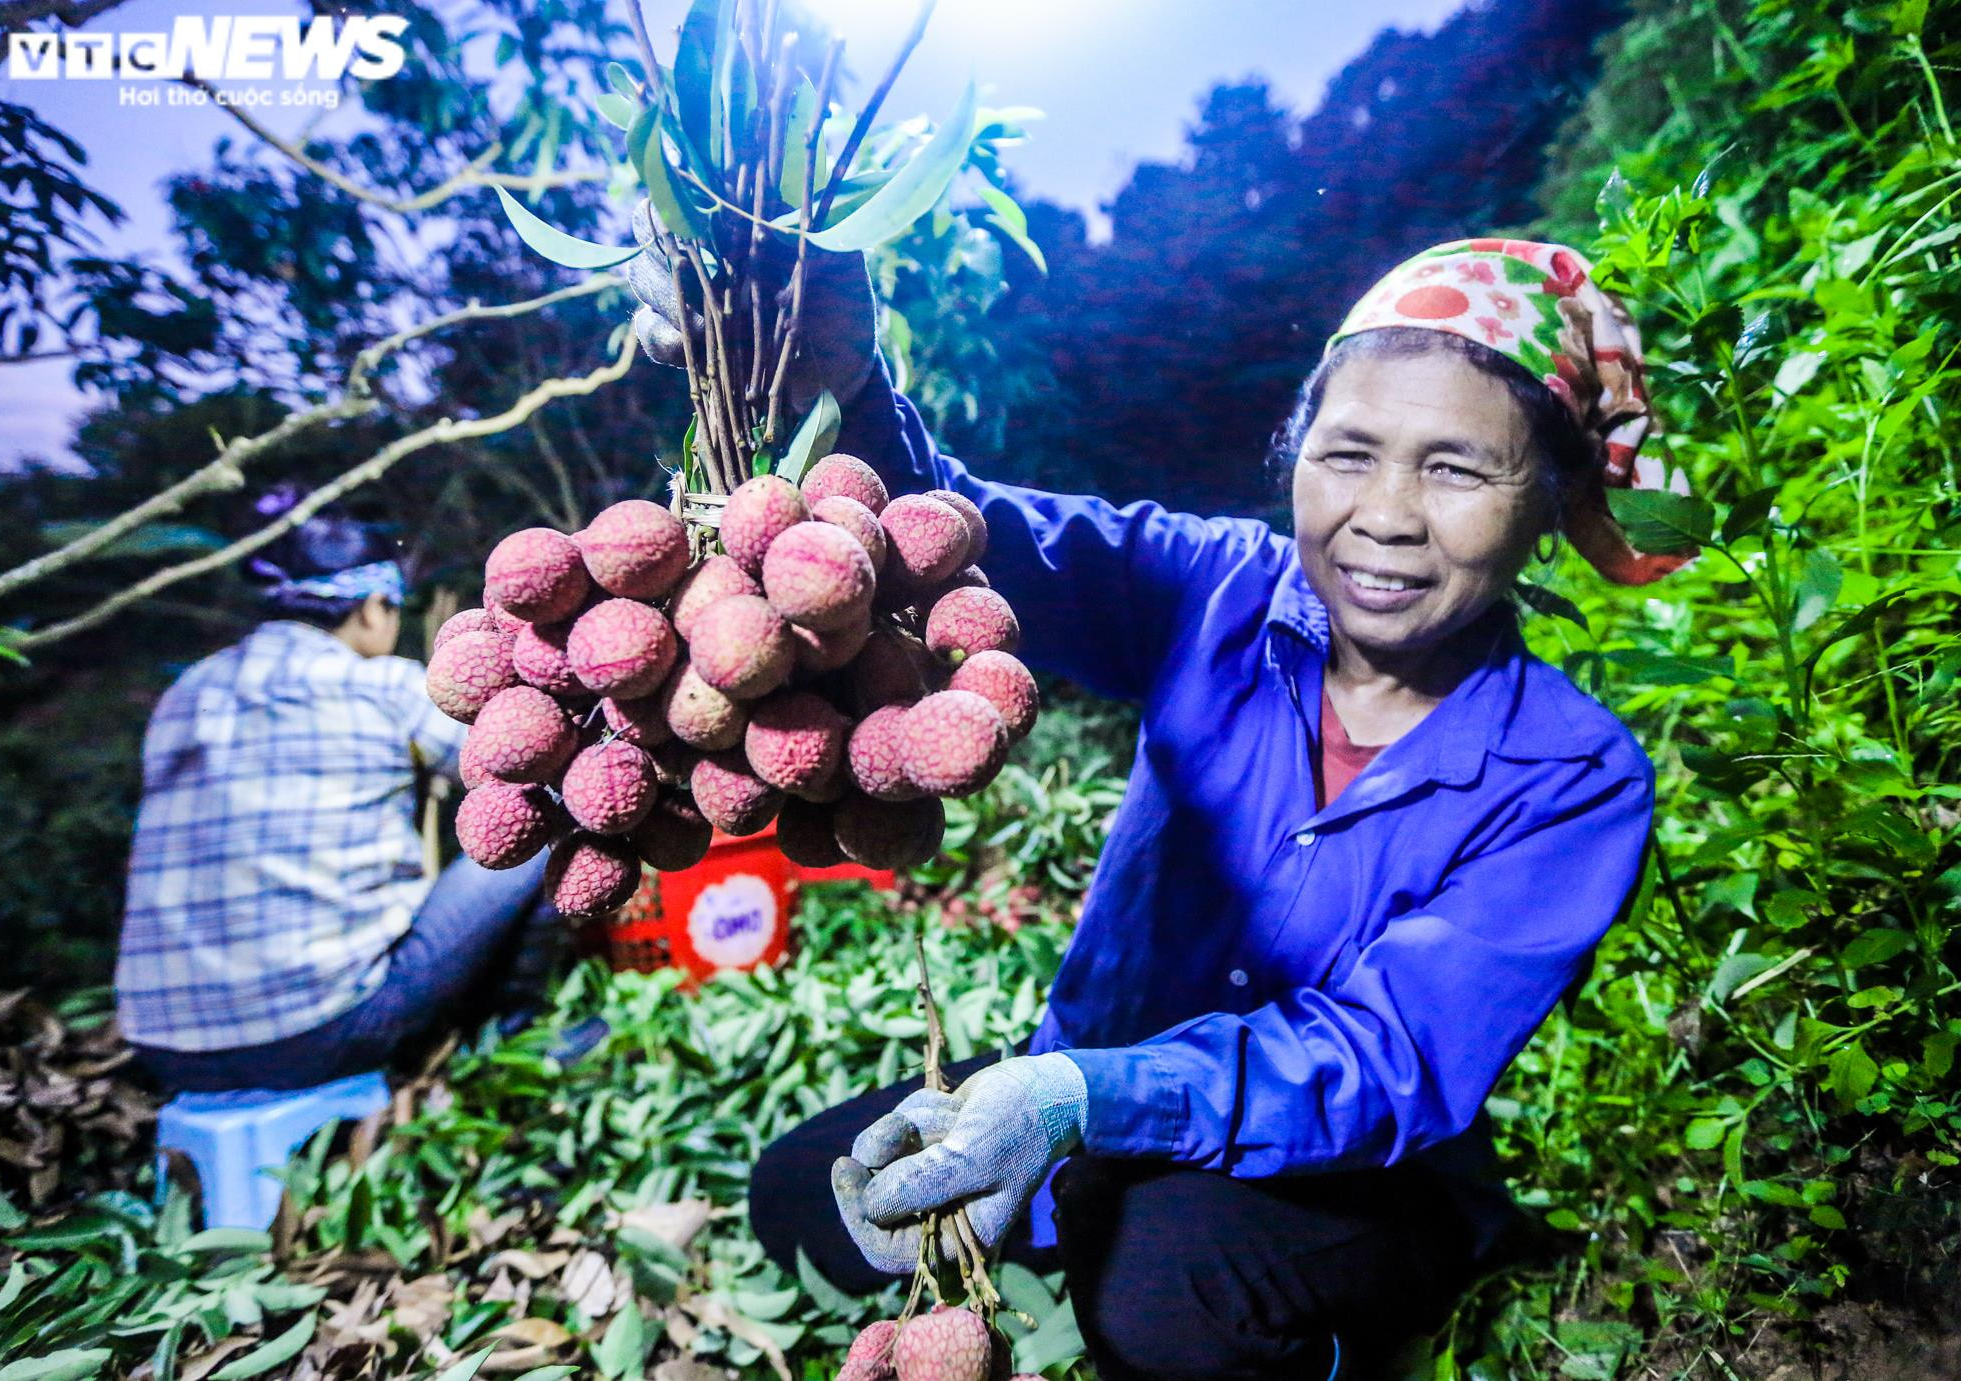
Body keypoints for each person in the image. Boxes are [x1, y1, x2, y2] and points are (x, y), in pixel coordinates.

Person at [631, 222, 1697, 1377]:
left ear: (1545, 499)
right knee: (799, 1196)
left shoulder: (1573, 775)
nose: (1384, 514)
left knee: (1160, 1295)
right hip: (1097, 1075)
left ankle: (1366, 1313)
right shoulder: (1216, 589)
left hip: (1352, 1167)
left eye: (1454, 468)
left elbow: (1388, 1054)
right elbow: (971, 539)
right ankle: (1073, 1200)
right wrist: (845, 378)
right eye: (1347, 453)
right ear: (1293, 456)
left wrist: (1070, 1095)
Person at [116, 490, 566, 1095]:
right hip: (323, 1033)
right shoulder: (380, 686)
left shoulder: (189, 692)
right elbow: (514, 764)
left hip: (163, 1050)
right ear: (374, 607)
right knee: (540, 828)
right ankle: (511, 1041)